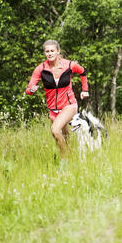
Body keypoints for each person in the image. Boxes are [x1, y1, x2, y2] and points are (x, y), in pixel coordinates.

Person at [26, 40, 89, 168]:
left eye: (52, 51)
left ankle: (64, 161)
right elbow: (29, 88)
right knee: (63, 135)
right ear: (44, 53)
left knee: (55, 130)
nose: (50, 53)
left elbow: (83, 72)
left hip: (69, 104)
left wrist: (85, 90)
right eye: (47, 51)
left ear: (58, 51)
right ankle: (72, 159)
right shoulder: (41, 69)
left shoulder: (69, 65)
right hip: (53, 109)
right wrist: (31, 90)